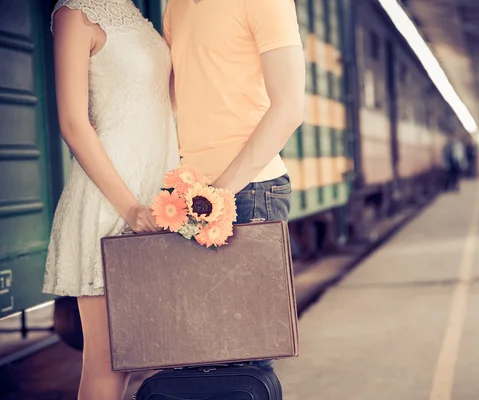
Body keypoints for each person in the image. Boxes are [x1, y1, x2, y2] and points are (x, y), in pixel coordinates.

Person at [43, 1, 179, 398]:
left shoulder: (135, 12)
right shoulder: (75, 13)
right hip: (112, 202)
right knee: (107, 362)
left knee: (140, 359)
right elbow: (72, 122)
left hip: (154, 197)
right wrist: (129, 207)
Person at [162, 0, 305, 371]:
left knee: (245, 359)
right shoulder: (175, 5)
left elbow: (290, 106)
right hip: (191, 194)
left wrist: (219, 192)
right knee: (199, 356)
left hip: (250, 192)